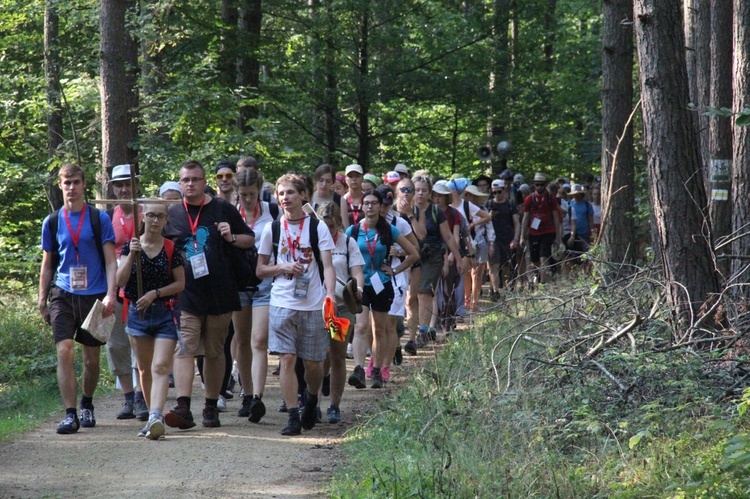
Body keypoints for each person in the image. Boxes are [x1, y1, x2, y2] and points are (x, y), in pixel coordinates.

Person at [163, 160, 254, 430]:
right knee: (185, 349)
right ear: (180, 184)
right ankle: (183, 406)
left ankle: (211, 406)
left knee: (214, 351)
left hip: (220, 293)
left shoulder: (222, 209)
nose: (190, 184)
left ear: (205, 182)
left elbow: (249, 239)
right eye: (186, 180)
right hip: (186, 293)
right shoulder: (173, 213)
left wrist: (231, 237)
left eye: (195, 179)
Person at [39, 163, 118, 434]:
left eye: (75, 182)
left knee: (91, 360)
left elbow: (111, 260)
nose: (71, 187)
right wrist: (42, 299)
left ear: (84, 185)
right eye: (66, 182)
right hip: (62, 294)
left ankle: (87, 403)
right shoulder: (51, 221)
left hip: (94, 296)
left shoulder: (99, 219)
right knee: (64, 351)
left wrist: (111, 294)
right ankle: (70, 414)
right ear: (59, 185)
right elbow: (48, 263)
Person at [256, 173, 337, 435]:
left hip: (313, 304)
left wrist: (331, 294)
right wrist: (282, 266)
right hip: (281, 302)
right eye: (281, 193)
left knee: (314, 364)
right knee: (287, 358)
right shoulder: (273, 228)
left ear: (303, 195)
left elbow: (328, 265)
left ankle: (312, 397)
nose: (285, 198)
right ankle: (293, 414)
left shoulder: (317, 227)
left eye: (290, 192)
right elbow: (260, 269)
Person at [117, 201, 186, 439]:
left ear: (166, 219)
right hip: (138, 314)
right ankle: (151, 418)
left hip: (165, 312)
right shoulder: (131, 246)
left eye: (160, 216)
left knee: (160, 367)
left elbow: (180, 283)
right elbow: (119, 280)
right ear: (143, 217)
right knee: (145, 370)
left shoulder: (170, 248)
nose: (155, 221)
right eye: (151, 215)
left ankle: (156, 416)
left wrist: (155, 293)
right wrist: (131, 255)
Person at [346, 188, 419, 389]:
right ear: (362, 206)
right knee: (361, 327)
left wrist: (395, 270)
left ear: (380, 207)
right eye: (366, 203)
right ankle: (359, 369)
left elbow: (414, 254)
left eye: (374, 203)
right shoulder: (353, 231)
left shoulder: (390, 230)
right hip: (360, 285)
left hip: (382, 284)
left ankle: (377, 369)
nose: (370, 206)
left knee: (379, 329)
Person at [233, 167, 278, 423]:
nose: (247, 199)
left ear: (259, 190)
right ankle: (246, 393)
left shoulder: (272, 212)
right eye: (243, 195)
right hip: (239, 283)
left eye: (251, 194)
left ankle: (258, 397)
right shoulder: (230, 212)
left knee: (259, 339)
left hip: (265, 283)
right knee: (241, 341)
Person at [105, 164, 149, 422]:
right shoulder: (107, 217)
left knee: (141, 344)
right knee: (117, 345)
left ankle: (144, 396)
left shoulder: (148, 214)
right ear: (112, 188)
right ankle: (129, 397)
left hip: (144, 290)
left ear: (137, 186)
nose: (124, 189)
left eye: (128, 184)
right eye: (119, 185)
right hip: (117, 289)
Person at [317, 202, 365, 423]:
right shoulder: (313, 240)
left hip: (341, 306)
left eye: (331, 225)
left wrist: (359, 289)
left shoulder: (348, 243)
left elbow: (357, 271)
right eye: (323, 225)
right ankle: (313, 402)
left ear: (337, 223)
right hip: (319, 306)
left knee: (336, 355)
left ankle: (334, 405)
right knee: (319, 356)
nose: (327, 230)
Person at [406, 176, 463, 355]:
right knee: (410, 297)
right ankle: (411, 334)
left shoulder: (435, 211)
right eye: (417, 190)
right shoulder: (405, 210)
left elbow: (447, 236)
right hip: (410, 257)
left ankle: (423, 331)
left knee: (424, 293)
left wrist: (458, 258)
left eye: (424, 190)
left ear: (430, 193)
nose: (420, 193)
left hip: (432, 257)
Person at [520, 173, 561, 285]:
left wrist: (558, 237)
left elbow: (556, 217)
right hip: (533, 233)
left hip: (548, 231)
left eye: (542, 185)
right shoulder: (529, 199)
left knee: (544, 256)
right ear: (534, 185)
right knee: (534, 259)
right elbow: (526, 217)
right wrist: (522, 236)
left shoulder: (551, 199)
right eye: (537, 185)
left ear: (545, 185)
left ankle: (542, 282)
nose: (539, 187)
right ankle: (537, 278)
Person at [460, 184, 493, 312]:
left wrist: (491, 243)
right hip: (466, 242)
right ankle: (466, 298)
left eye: (473, 195)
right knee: (467, 272)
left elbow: (489, 226)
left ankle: (475, 300)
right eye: (469, 195)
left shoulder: (482, 209)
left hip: (480, 242)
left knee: (477, 273)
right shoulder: (461, 209)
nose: (471, 197)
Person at [487, 179, 520, 296]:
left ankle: (506, 289)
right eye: (494, 192)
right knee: (494, 265)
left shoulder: (510, 205)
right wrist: (489, 216)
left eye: (499, 192)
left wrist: (516, 239)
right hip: (493, 240)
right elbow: (482, 222)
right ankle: (495, 291)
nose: (497, 195)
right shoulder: (489, 204)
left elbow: (516, 223)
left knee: (506, 266)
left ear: (504, 190)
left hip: (508, 238)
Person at [312, 164, 349, 228]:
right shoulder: (308, 198)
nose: (324, 184)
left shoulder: (340, 200)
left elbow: (345, 228)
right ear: (316, 180)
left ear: (333, 182)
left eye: (328, 181)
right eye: (321, 180)